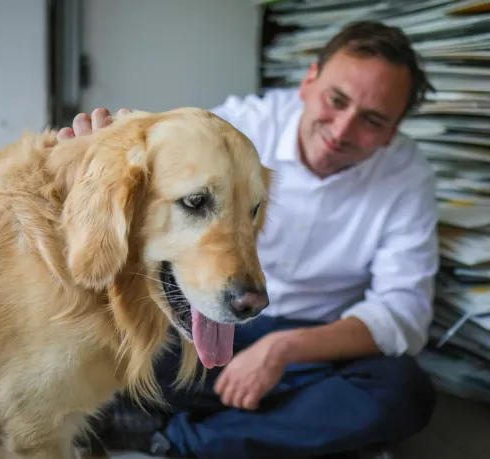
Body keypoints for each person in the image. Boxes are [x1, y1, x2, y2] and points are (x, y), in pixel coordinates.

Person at [62, 20, 439, 459]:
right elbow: (146, 177)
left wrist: (284, 348)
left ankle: (169, 438)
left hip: (315, 348)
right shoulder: (235, 127)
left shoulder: (409, 178)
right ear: (309, 80)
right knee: (114, 339)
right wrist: (92, 161)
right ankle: (292, 435)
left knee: (403, 391)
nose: (341, 130)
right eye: (336, 100)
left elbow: (404, 312)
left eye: (372, 120)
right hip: (201, 323)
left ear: (393, 132)